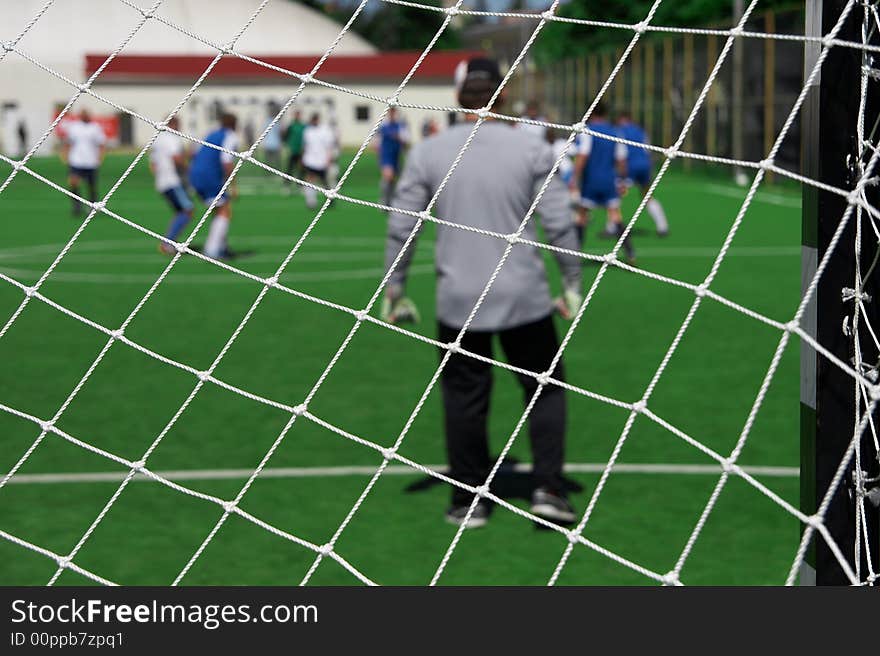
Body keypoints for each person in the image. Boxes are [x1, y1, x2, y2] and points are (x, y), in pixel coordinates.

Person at [383, 57, 584, 529]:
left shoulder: (429, 151)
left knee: (464, 397)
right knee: (544, 389)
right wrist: (572, 283)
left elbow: (401, 225)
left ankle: (468, 498)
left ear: (458, 98)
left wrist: (395, 286)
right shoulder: (531, 149)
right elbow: (559, 223)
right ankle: (549, 489)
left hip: (460, 300)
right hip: (524, 296)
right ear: (504, 95)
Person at [571, 103, 635, 263]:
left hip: (591, 181)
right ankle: (630, 253)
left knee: (581, 215)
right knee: (615, 215)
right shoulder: (615, 132)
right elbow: (621, 160)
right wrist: (622, 180)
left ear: (591, 114)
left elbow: (582, 156)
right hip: (609, 180)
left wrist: (574, 177)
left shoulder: (587, 131)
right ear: (606, 114)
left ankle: (575, 254)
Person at [188, 112, 240, 260]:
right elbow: (226, 161)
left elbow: (195, 153)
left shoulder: (211, 134)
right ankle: (212, 250)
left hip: (196, 174)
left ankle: (221, 247)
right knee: (225, 210)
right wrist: (233, 185)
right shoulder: (230, 136)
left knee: (218, 210)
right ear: (234, 125)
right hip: (209, 176)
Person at [616, 110, 669, 237]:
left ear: (623, 119)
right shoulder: (640, 130)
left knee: (616, 195)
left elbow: (620, 152)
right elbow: (648, 149)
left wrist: (621, 171)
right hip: (645, 166)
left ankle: (612, 226)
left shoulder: (619, 131)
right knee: (647, 195)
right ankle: (662, 227)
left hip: (630, 166)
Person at [149, 116, 194, 254]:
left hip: (162, 182)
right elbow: (176, 158)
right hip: (173, 180)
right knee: (187, 210)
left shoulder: (158, 139)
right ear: (174, 124)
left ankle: (170, 242)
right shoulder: (172, 138)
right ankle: (167, 243)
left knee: (180, 212)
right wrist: (189, 171)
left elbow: (153, 164)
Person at [61, 108, 106, 217]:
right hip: (76, 161)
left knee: (91, 185)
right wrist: (65, 154)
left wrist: (100, 157)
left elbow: (101, 144)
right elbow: (68, 142)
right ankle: (76, 205)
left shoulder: (95, 128)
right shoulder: (74, 127)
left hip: (91, 161)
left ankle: (92, 205)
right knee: (73, 182)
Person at [300, 112, 336, 209]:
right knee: (310, 180)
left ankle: (330, 200)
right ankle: (311, 201)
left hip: (322, 161)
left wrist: (329, 159)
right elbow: (305, 145)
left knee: (326, 182)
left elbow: (330, 146)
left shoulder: (325, 131)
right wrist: (303, 158)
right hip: (310, 161)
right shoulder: (307, 131)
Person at [376, 106, 410, 207]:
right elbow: (376, 138)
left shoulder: (400, 125)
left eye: (393, 112)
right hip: (386, 154)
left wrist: (400, 139)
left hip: (396, 154)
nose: (392, 114)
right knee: (388, 176)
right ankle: (384, 200)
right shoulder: (383, 125)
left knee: (394, 179)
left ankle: (391, 200)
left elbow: (406, 139)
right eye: (390, 112)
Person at [283, 110, 306, 191]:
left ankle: (300, 185)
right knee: (290, 169)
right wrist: (288, 146)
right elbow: (286, 137)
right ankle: (287, 185)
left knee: (302, 169)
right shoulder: (291, 126)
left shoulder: (303, 126)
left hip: (301, 151)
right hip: (293, 150)